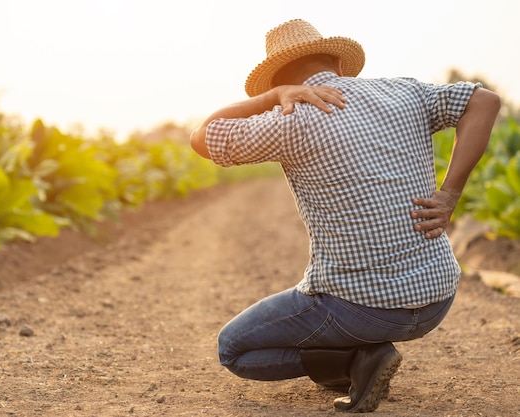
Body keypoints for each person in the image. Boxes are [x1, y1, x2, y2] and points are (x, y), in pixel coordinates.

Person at [189, 19, 500, 413]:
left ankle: (355, 361)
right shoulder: (402, 91)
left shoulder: (292, 118)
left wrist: (275, 98)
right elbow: (483, 101)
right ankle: (359, 358)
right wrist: (450, 193)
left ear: (276, 81)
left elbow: (202, 137)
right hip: (437, 298)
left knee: (232, 349)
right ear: (338, 61)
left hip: (363, 311)